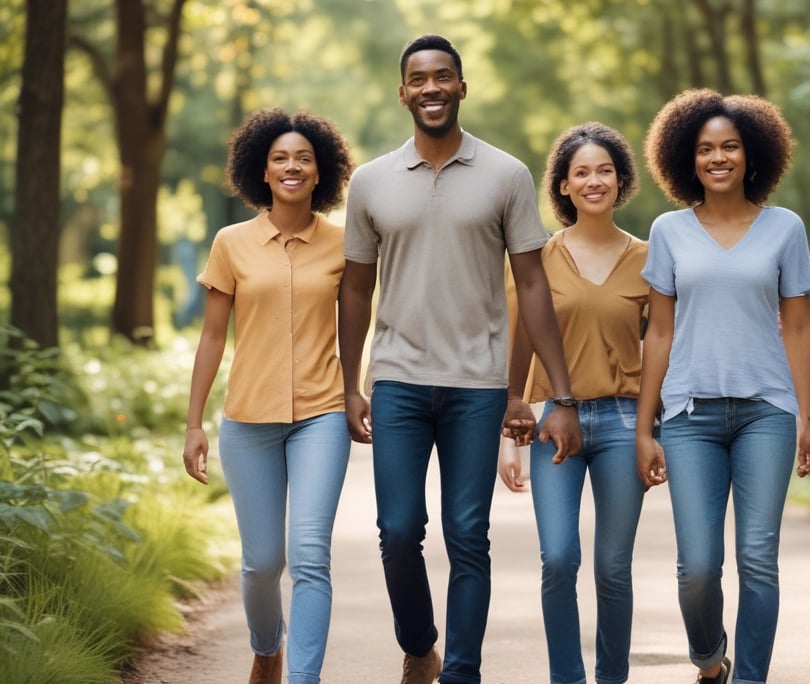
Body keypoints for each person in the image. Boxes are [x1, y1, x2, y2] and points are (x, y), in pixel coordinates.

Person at [338, 34, 582, 684]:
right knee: (397, 530)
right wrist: (349, 385)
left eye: (443, 76)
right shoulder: (371, 182)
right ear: (402, 93)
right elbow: (356, 288)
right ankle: (419, 644)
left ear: (461, 87)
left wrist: (555, 391)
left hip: (478, 384)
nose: (431, 88)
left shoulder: (506, 175)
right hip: (397, 380)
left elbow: (533, 285)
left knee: (468, 534)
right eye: (418, 79)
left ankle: (461, 673)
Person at [635, 89, 810, 684]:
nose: (719, 158)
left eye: (731, 147)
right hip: (689, 414)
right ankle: (710, 658)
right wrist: (645, 428)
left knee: (758, 560)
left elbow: (798, 326)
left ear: (752, 154)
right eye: (706, 149)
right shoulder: (668, 230)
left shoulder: (785, 228)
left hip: (766, 411)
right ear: (685, 160)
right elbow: (658, 332)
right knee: (697, 567)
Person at [182, 108, 355, 684]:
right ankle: (266, 649)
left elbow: (359, 324)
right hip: (248, 420)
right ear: (261, 169)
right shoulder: (232, 242)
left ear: (320, 170)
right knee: (262, 565)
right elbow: (211, 336)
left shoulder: (343, 244)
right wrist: (193, 423)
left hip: (320, 415)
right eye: (280, 157)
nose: (292, 166)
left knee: (309, 555)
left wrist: (356, 392)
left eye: (304, 158)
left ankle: (304, 678)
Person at [498, 122, 647, 684]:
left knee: (613, 567)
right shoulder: (536, 258)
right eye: (581, 172)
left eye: (604, 170)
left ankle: (612, 677)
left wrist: (653, 430)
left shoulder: (648, 258)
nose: (593, 180)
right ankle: (568, 677)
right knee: (559, 559)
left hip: (623, 418)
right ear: (562, 186)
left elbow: (663, 348)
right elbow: (516, 341)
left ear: (620, 179)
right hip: (551, 427)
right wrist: (507, 435)